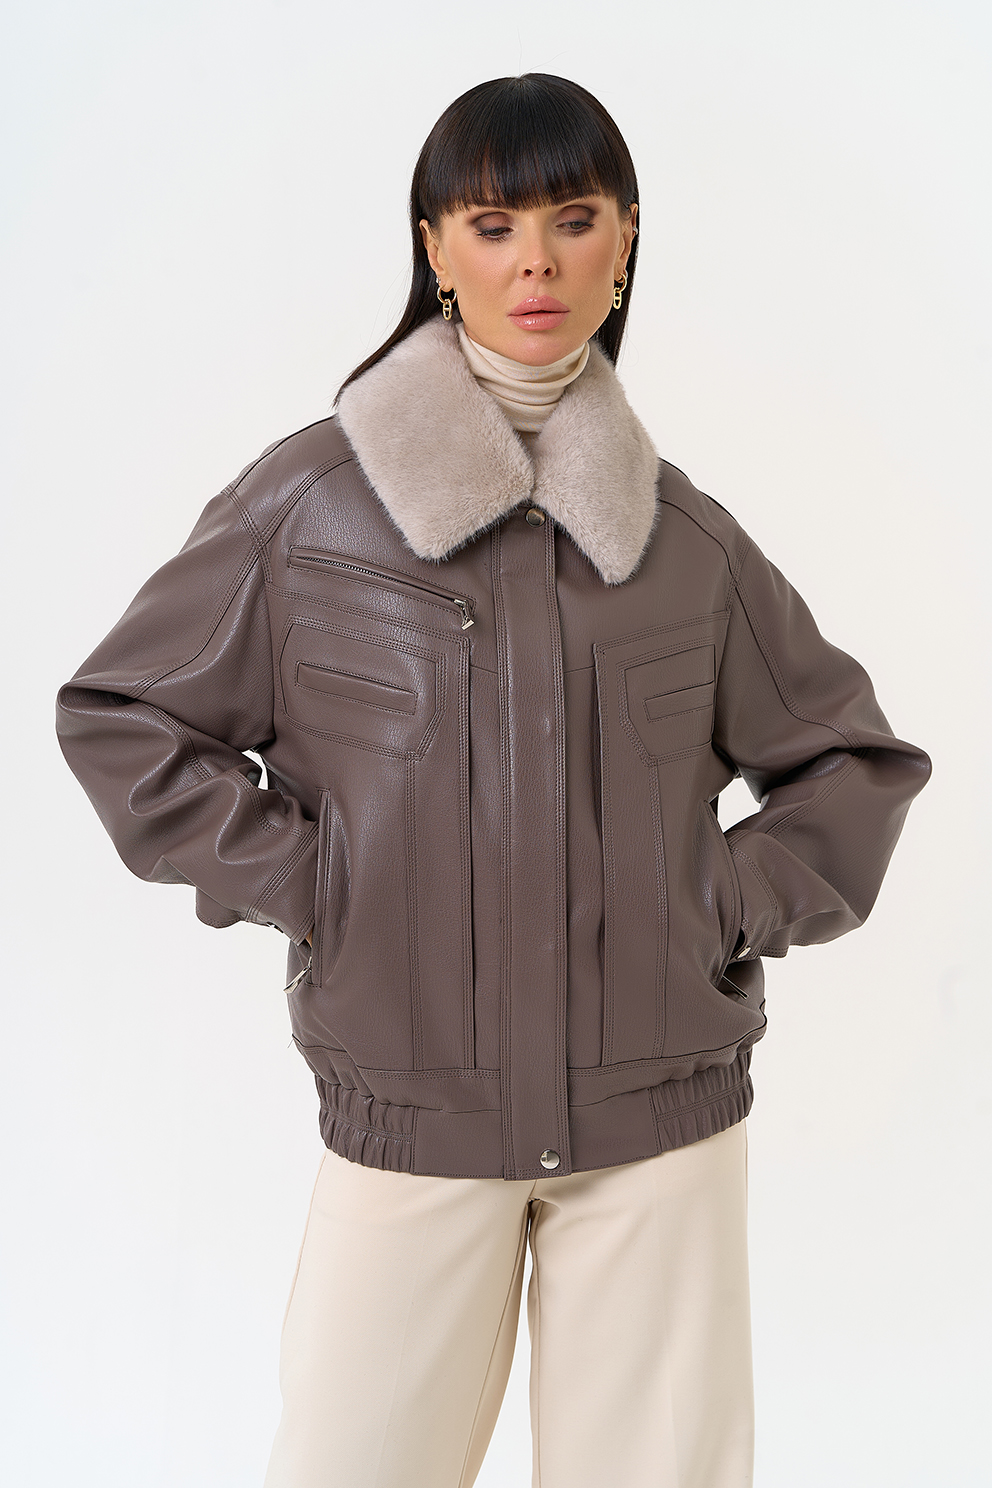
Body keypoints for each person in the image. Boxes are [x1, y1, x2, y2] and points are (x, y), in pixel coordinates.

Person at [55, 73, 930, 1488]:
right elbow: (124, 716)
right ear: (435, 247)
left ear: (625, 241)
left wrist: (711, 903)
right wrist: (322, 881)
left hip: (658, 1127)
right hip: (413, 1114)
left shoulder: (686, 544)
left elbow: (854, 765)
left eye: (574, 221)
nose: (537, 263)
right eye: (493, 224)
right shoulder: (308, 510)